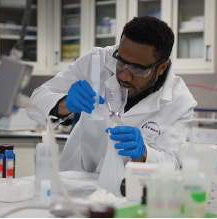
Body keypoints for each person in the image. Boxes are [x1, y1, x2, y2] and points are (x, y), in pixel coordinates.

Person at [30, 16, 193, 173]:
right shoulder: (96, 60)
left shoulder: (180, 101)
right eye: (120, 62)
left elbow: (172, 162)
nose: (124, 76)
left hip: (126, 189)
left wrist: (143, 153)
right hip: (74, 179)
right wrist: (65, 103)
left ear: (162, 67)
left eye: (138, 69)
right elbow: (35, 102)